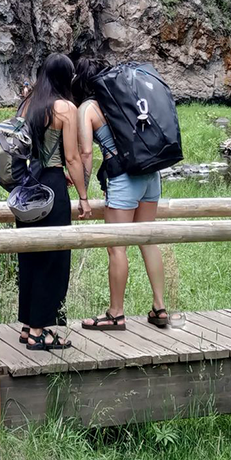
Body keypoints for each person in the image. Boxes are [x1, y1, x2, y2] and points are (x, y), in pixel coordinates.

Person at [74, 56, 169, 331]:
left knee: (117, 248)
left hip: (123, 178)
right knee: (147, 239)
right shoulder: (126, 95)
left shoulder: (88, 108)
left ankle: (116, 314)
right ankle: (159, 307)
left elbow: (86, 153)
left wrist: (84, 192)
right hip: (151, 174)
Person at [15, 53, 90, 351]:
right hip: (52, 185)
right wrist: (83, 196)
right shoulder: (65, 108)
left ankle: (27, 325)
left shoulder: (27, 104)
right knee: (53, 258)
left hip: (25, 187)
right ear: (65, 76)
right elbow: (71, 157)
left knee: (30, 257)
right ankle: (38, 331)